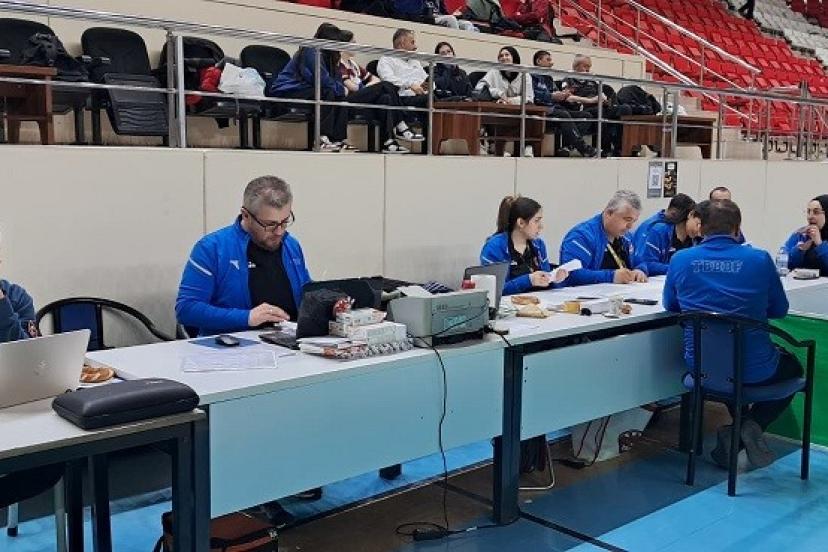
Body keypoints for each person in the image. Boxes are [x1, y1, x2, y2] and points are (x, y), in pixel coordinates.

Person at [663, 199, 799, 470]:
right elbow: (780, 310)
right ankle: (748, 426)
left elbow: (671, 305)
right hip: (755, 369)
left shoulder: (680, 260)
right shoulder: (759, 259)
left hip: (701, 366)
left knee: (727, 369)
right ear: (737, 228)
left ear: (700, 227)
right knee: (794, 368)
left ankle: (739, 431)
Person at [176, 176, 311, 337]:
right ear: (246, 215)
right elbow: (186, 309)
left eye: (285, 221)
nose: (279, 232)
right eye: (270, 224)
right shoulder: (212, 248)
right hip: (234, 345)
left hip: (289, 341)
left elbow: (306, 294)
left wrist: (328, 303)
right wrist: (247, 318)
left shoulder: (291, 245)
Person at [267, 23, 352, 152]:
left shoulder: (331, 56)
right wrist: (341, 89)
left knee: (341, 99)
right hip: (287, 90)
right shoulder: (311, 50)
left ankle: (338, 139)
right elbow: (320, 79)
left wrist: (340, 90)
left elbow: (336, 79)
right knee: (326, 92)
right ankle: (321, 139)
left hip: (307, 89)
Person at [338, 30, 422, 153]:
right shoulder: (339, 63)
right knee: (386, 85)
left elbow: (375, 79)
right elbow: (351, 86)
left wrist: (368, 88)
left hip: (362, 94)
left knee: (386, 98)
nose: (356, 45)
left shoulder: (354, 65)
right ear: (344, 45)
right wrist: (366, 88)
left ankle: (388, 142)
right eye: (353, 42)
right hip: (350, 99)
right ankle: (400, 124)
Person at [480, 196, 569, 295]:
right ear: (521, 223)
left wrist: (554, 279)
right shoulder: (494, 248)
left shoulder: (539, 245)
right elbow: (495, 290)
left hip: (538, 301)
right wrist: (528, 280)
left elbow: (545, 280)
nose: (541, 226)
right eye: (536, 221)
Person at [560, 190, 649, 285]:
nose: (630, 226)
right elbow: (571, 274)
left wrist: (640, 270)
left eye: (634, 221)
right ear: (609, 213)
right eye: (627, 219)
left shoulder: (626, 236)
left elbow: (639, 260)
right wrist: (611, 276)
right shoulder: (581, 236)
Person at [560, 54, 631, 156]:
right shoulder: (568, 79)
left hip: (599, 106)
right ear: (576, 66)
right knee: (600, 113)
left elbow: (600, 94)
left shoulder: (592, 80)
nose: (588, 69)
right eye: (585, 66)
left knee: (625, 109)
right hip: (584, 109)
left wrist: (605, 100)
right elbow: (568, 98)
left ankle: (620, 147)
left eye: (589, 66)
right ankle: (604, 148)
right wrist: (590, 100)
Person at [531, 50, 596, 158]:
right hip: (542, 109)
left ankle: (567, 147)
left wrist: (564, 94)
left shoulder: (549, 78)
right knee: (563, 114)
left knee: (586, 116)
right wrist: (552, 96)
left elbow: (556, 93)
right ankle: (583, 148)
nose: (552, 63)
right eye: (548, 60)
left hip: (556, 108)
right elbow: (534, 96)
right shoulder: (531, 76)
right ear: (539, 61)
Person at [632, 194, 701, 276]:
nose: (699, 229)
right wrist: (678, 268)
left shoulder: (695, 238)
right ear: (690, 215)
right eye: (698, 224)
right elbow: (647, 264)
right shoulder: (658, 230)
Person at [783, 195, 828, 276]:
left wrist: (820, 244)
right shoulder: (801, 235)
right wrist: (799, 250)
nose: (810, 216)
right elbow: (783, 265)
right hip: (801, 283)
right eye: (808, 212)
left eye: (816, 212)